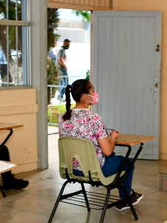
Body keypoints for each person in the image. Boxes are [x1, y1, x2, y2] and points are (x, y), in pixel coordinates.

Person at [58, 79, 143, 211]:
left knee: (117, 160)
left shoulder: (63, 118)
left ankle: (128, 195)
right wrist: (112, 138)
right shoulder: (94, 118)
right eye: (92, 91)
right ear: (85, 96)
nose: (95, 93)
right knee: (128, 162)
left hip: (71, 169)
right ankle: (126, 197)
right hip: (94, 170)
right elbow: (108, 151)